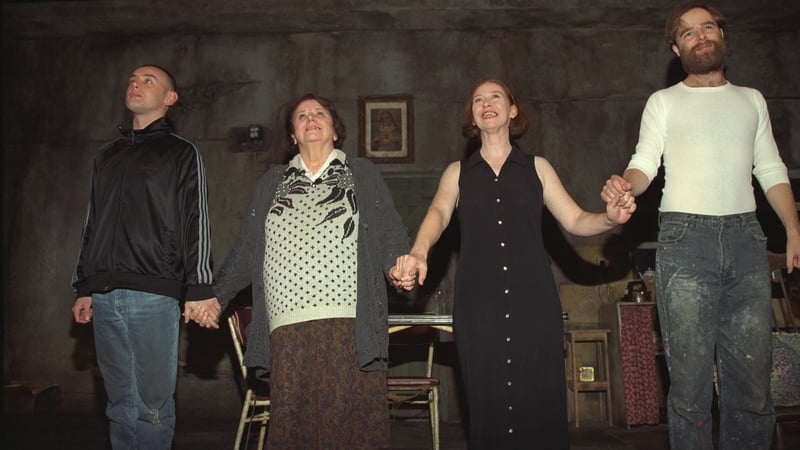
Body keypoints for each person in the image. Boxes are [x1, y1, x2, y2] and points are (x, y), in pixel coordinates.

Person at [395, 78, 636, 449]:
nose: (486, 103)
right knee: (487, 398)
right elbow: (438, 214)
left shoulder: (537, 167)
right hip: (478, 304)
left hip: (533, 300)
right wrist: (419, 251)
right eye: (478, 99)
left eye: (495, 97)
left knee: (538, 396)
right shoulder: (457, 173)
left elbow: (574, 220)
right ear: (473, 117)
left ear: (512, 111)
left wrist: (608, 218)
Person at [601, 4, 800, 449]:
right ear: (677, 48)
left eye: (707, 26)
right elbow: (643, 163)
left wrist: (794, 230)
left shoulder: (751, 100)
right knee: (688, 389)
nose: (700, 35)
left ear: (721, 36)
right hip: (685, 244)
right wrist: (624, 185)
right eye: (688, 33)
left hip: (747, 241)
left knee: (751, 387)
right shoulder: (664, 102)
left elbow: (771, 169)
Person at [213, 93, 411, 449]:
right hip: (288, 325)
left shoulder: (360, 172)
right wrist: (216, 296)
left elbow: (388, 232)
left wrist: (398, 264)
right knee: (295, 427)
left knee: (354, 426)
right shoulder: (272, 182)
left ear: (335, 130)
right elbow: (247, 248)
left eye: (319, 113)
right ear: (292, 135)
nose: (311, 119)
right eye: (301, 116)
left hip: (350, 320)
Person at [71, 64, 220, 449]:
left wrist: (200, 287)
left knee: (152, 405)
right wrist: (84, 286)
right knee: (119, 405)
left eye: (149, 80)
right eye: (133, 79)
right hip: (104, 294)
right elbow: (93, 222)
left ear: (170, 99)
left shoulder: (182, 153)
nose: (136, 83)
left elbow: (197, 219)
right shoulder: (106, 156)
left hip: (154, 293)